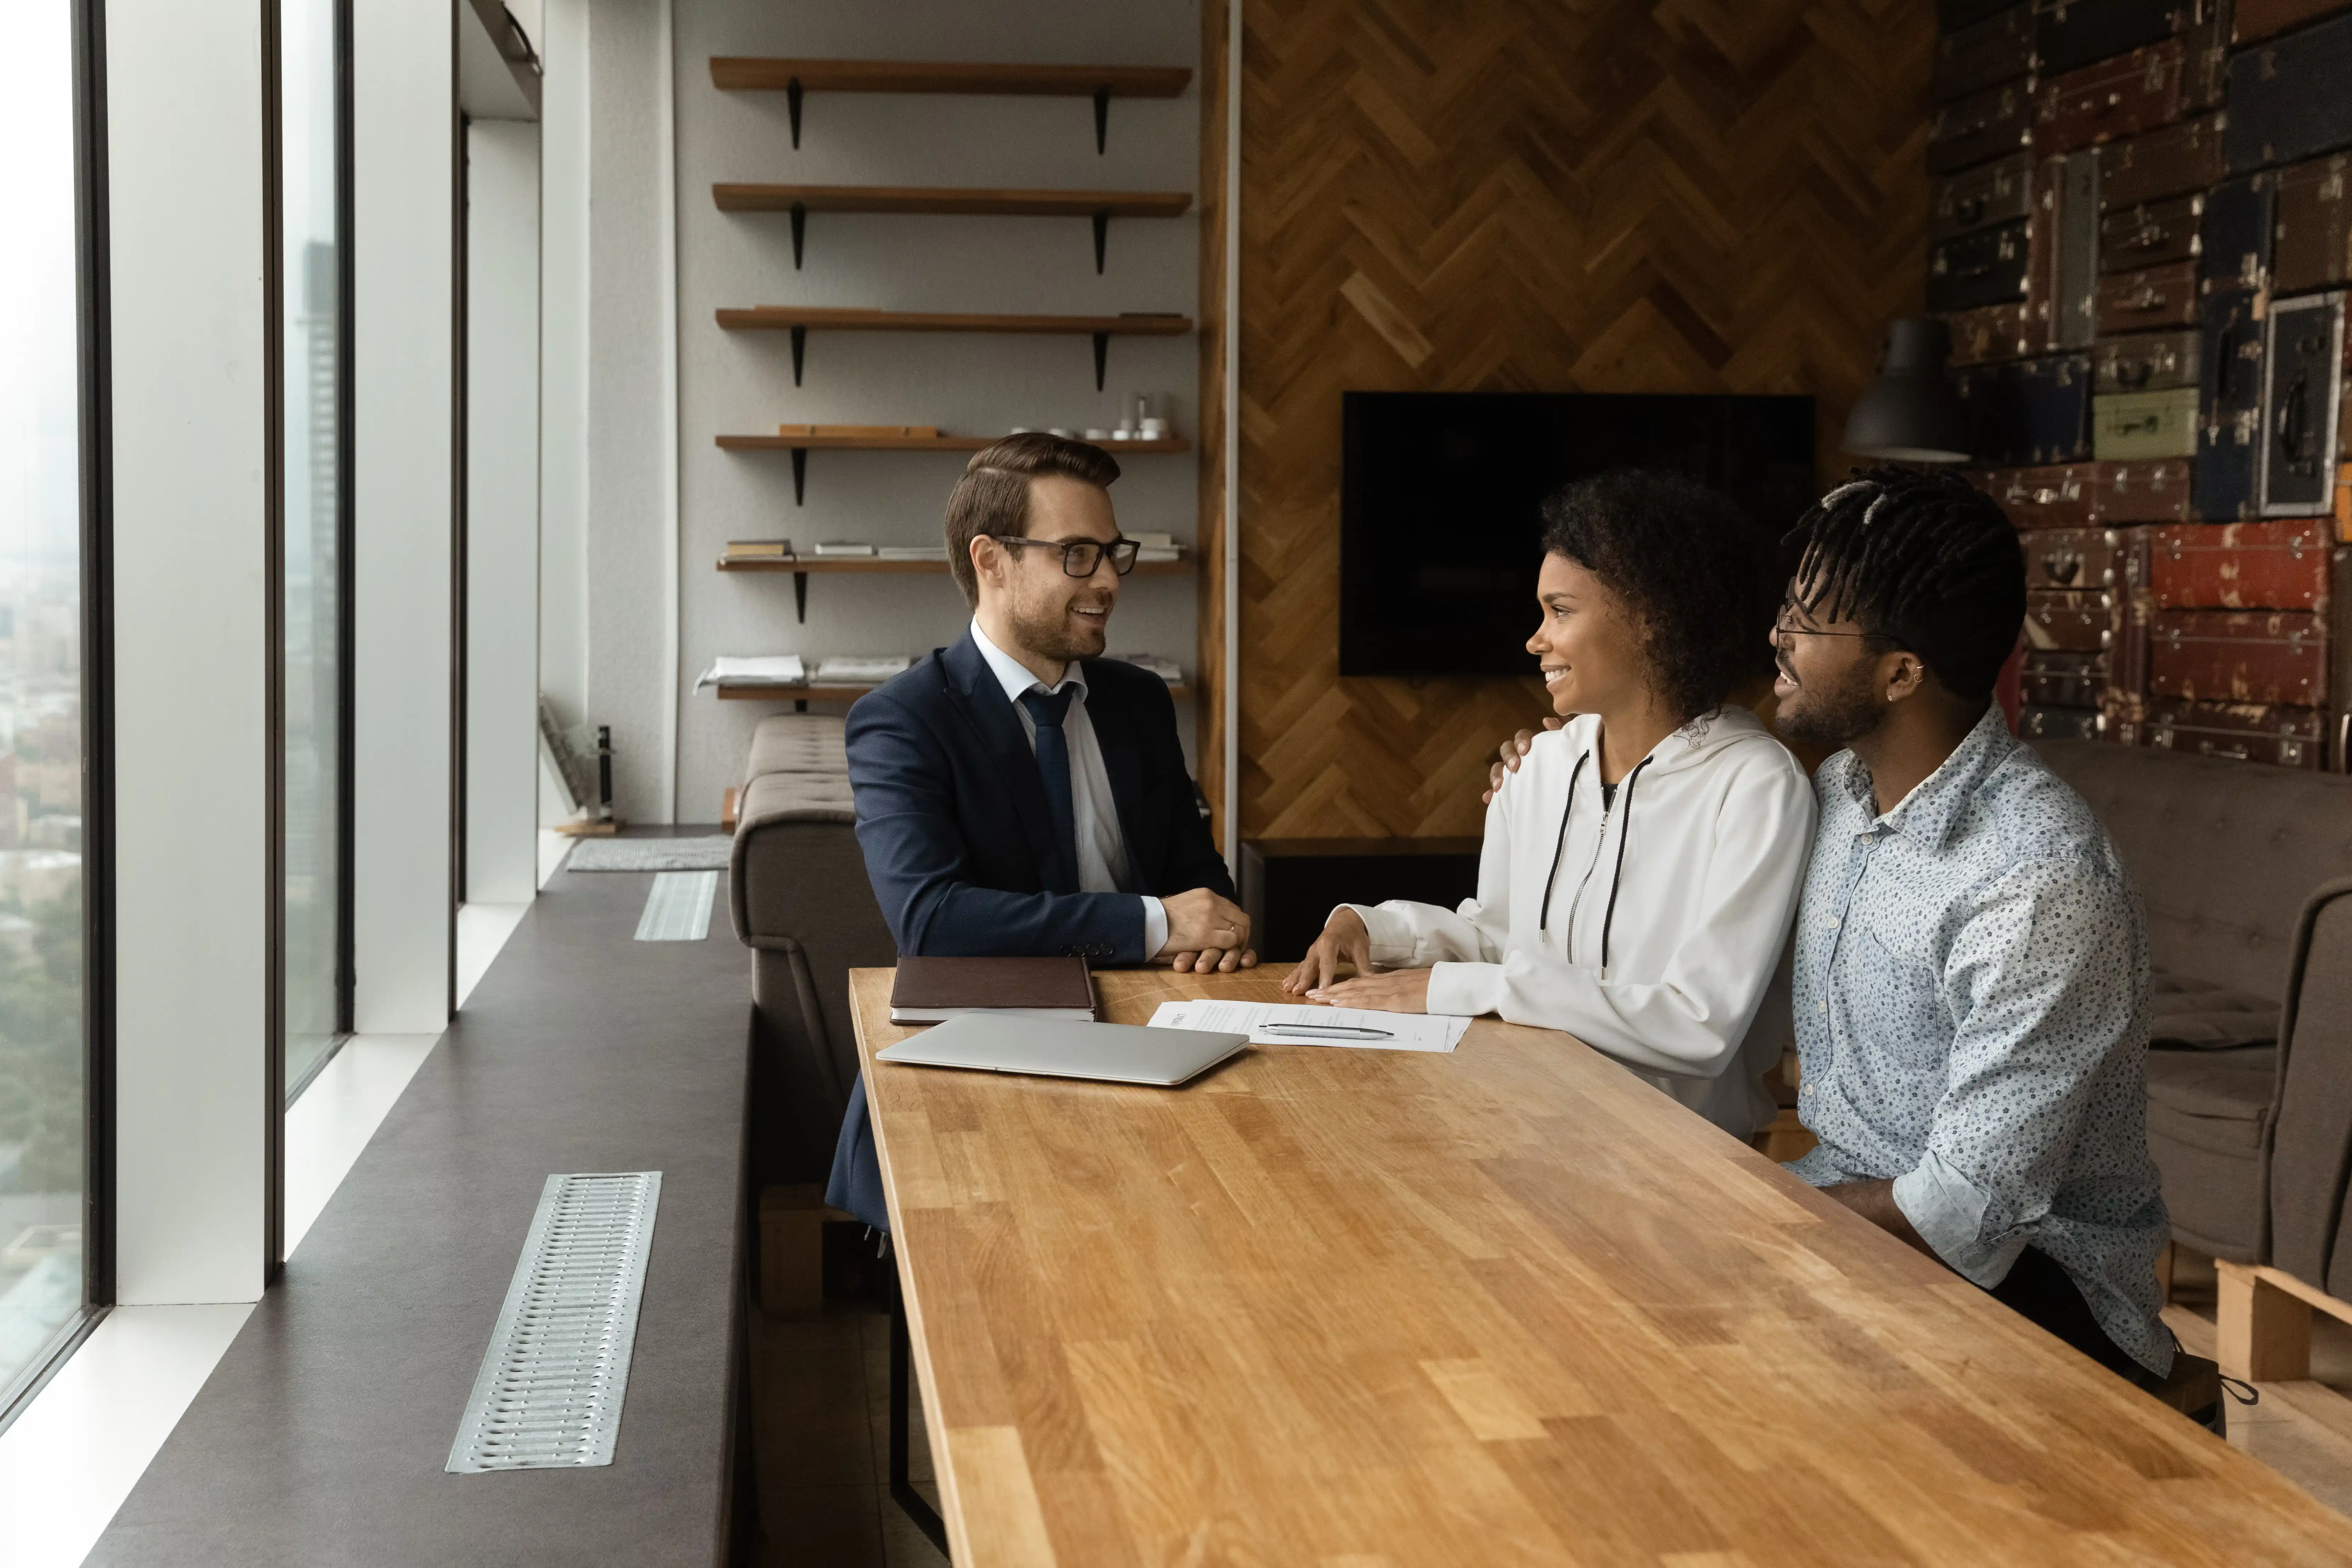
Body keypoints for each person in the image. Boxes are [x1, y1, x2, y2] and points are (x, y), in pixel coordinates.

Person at [1492, 468, 2210, 1420]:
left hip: (2036, 1281)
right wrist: (1551, 787)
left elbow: (1964, 1215)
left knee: (1656, 1354)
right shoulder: (1839, 794)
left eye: (1806, 623)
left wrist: (1725, 1216)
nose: (1775, 639)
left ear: (1899, 672)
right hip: (1843, 1203)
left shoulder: (2037, 881)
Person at [1284, 469, 1816, 1138]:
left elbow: (1698, 1025)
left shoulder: (1758, 788)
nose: (1536, 639)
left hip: (1683, 1161)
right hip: (1525, 1124)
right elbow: (1500, 939)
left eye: (1560, 611)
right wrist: (1373, 930)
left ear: (1652, 618)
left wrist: (1463, 989)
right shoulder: (1537, 768)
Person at [827, 432, 1253, 1229]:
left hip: (1151, 1065)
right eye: (1079, 554)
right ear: (990, 560)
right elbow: (932, 921)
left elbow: (1203, 884)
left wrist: (1209, 926)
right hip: (972, 1081)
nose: (1108, 581)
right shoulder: (901, 721)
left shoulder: (1137, 703)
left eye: (1113, 553)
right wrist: (1154, 922)